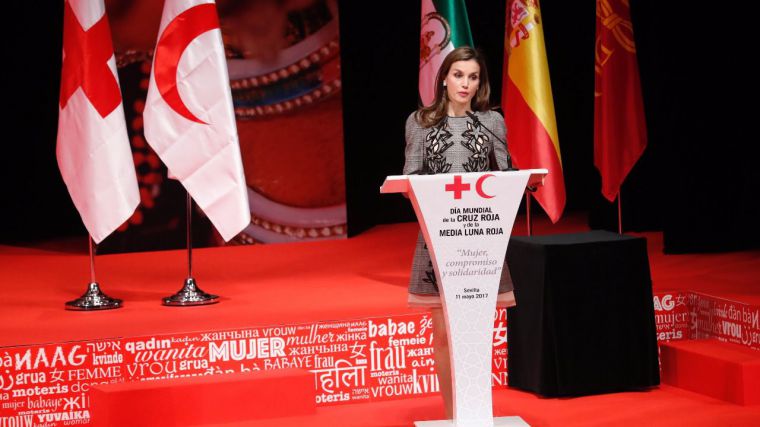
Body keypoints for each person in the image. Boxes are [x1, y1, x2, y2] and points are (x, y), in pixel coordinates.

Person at [402, 46, 515, 419]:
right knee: (445, 337)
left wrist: (523, 182)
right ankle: (455, 417)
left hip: (481, 244)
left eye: (474, 77)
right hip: (437, 243)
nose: (465, 84)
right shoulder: (420, 121)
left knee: (475, 336)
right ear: (444, 78)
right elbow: (411, 178)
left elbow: (506, 175)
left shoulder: (491, 122)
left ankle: (476, 414)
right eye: (459, 75)